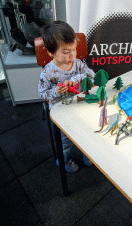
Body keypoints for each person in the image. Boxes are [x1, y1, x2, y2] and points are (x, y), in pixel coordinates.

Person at [38, 21, 95, 172]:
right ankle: (65, 160)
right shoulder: (47, 72)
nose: (72, 55)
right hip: (60, 109)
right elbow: (42, 93)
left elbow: (92, 75)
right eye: (65, 51)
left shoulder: (78, 64)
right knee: (65, 141)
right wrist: (57, 91)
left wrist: (77, 79)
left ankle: (87, 153)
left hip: (80, 104)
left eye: (74, 50)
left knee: (87, 131)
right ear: (51, 52)